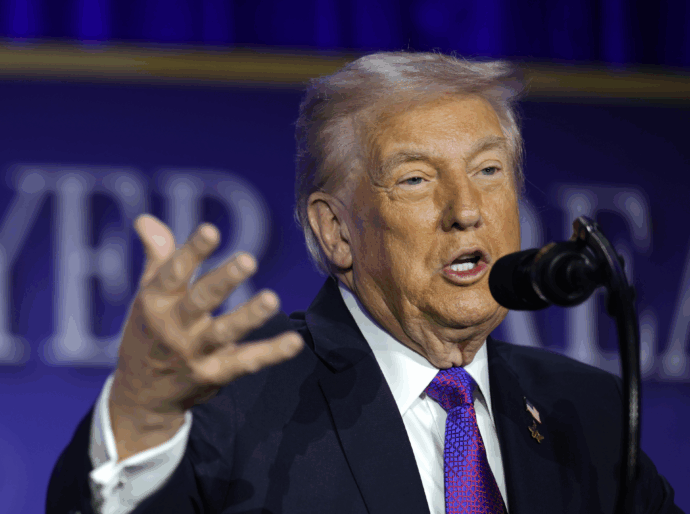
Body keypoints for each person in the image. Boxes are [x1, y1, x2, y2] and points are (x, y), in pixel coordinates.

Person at [47, 52, 682, 514]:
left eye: (489, 170)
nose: (467, 208)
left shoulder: (585, 411)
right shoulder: (238, 397)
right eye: (415, 178)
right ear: (337, 232)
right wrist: (138, 420)